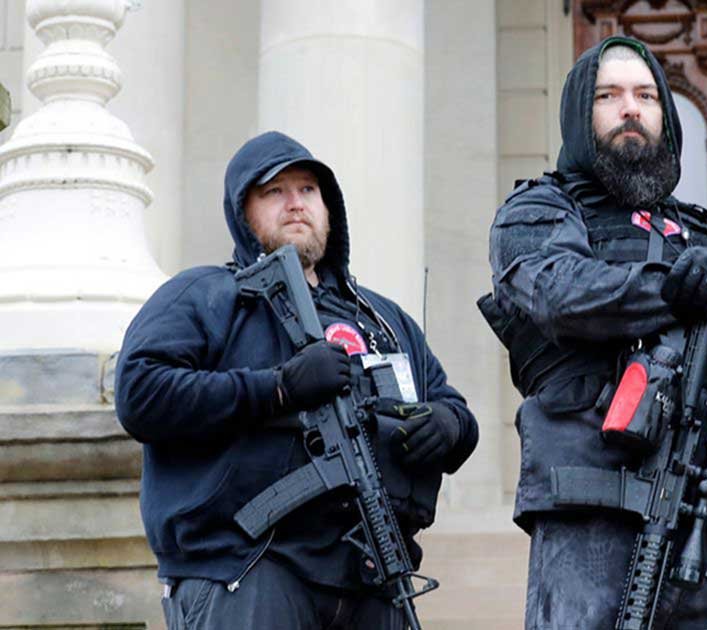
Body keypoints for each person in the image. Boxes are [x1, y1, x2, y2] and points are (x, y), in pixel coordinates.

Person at [480, 37, 707, 629]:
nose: (630, 108)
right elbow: (561, 293)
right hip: (590, 507)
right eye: (609, 96)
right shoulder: (539, 209)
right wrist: (678, 288)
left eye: (645, 95)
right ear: (580, 116)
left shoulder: (705, 230)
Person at [115, 131, 478, 629]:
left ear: (329, 208)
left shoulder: (383, 317)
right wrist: (276, 388)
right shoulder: (206, 295)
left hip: (373, 577)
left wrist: (449, 426)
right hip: (247, 571)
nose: (295, 204)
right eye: (273, 192)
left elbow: (452, 405)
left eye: (308, 190)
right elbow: (140, 392)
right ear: (243, 213)